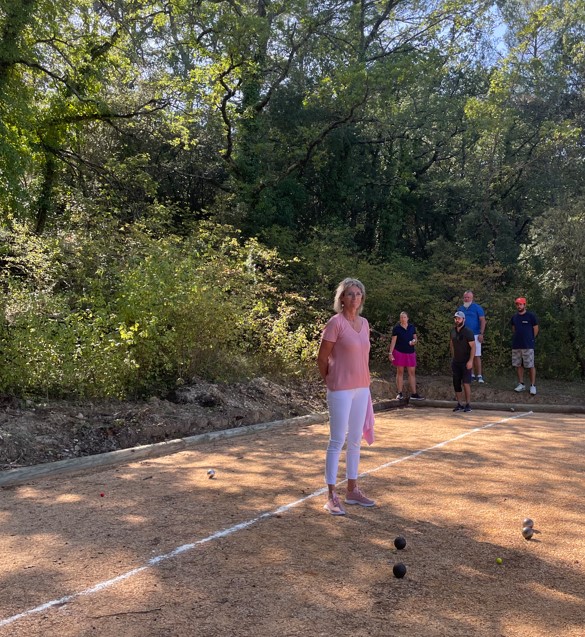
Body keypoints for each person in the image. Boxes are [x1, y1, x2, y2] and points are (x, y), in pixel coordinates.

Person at [317, 278, 375, 515]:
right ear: (341, 298)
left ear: (362, 298)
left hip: (362, 388)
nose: (354, 297)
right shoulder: (335, 323)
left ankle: (352, 489)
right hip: (340, 389)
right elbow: (322, 358)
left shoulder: (364, 323)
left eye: (358, 293)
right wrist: (330, 379)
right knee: (337, 440)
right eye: (349, 294)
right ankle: (331, 495)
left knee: (355, 440)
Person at [388, 311, 423, 401]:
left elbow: (415, 338)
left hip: (410, 352)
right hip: (399, 352)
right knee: (400, 372)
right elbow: (393, 341)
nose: (402, 319)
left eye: (404, 317)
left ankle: (414, 394)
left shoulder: (412, 327)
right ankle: (399, 393)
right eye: (401, 317)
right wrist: (390, 353)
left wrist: (414, 341)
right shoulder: (396, 328)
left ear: (407, 318)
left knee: (412, 373)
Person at [511, 297, 539, 395]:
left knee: (530, 365)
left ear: (524, 305)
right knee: (518, 365)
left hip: (528, 345)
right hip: (517, 345)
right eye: (517, 304)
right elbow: (514, 329)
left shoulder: (531, 316)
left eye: (520, 304)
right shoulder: (514, 317)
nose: (519, 306)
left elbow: (535, 329)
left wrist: (530, 339)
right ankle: (521, 384)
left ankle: (532, 385)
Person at [456, 290, 486, 383]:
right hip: (464, 335)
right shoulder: (460, 308)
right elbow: (457, 321)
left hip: (475, 335)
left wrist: (481, 333)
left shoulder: (477, 308)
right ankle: (471, 375)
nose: (466, 299)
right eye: (465, 297)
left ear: (472, 298)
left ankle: (479, 375)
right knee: (468, 356)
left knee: (476, 355)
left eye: (468, 297)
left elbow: (483, 321)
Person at [450, 311, 476, 413]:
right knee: (456, 383)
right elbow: (451, 344)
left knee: (466, 383)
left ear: (463, 319)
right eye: (456, 318)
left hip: (466, 362)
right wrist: (453, 357)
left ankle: (468, 404)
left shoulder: (468, 332)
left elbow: (473, 347)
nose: (457, 320)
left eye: (459, 318)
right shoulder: (452, 331)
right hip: (456, 362)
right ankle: (460, 404)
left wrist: (470, 361)